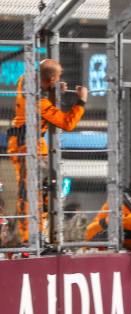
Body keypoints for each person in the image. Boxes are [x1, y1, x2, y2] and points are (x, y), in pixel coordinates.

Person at [6, 59, 87, 242]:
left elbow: (41, 87)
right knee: (30, 193)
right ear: (51, 79)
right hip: (27, 146)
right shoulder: (38, 102)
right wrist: (81, 101)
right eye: (57, 77)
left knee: (42, 193)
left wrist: (53, 90)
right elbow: (67, 123)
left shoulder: (25, 80)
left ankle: (37, 236)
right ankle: (28, 241)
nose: (59, 80)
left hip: (28, 143)